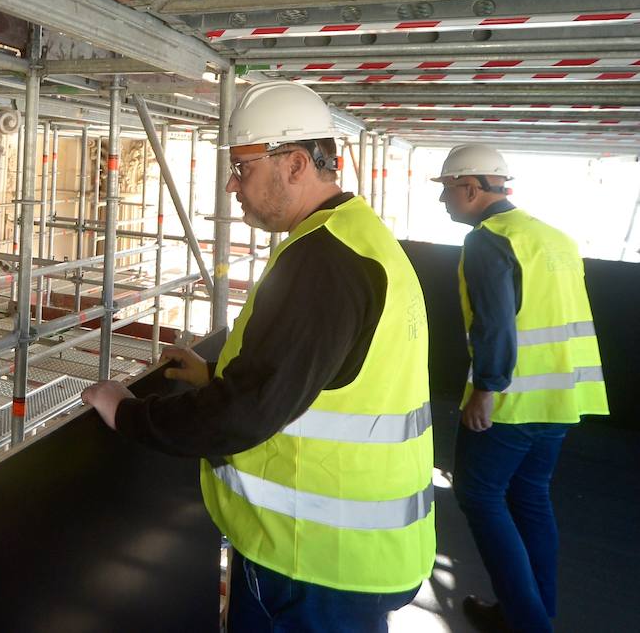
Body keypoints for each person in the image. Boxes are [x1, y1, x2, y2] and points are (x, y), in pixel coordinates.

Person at [82, 80, 434, 632]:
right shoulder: (355, 238)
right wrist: (218, 374)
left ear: (294, 164)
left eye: (242, 167)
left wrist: (127, 412)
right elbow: (319, 376)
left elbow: (244, 413)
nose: (231, 185)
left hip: (311, 559)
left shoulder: (324, 261)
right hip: (351, 554)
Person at [432, 144, 608, 633]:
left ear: (470, 187)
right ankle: (527, 612)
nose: (443, 201)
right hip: (561, 396)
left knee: (480, 496)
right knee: (529, 497)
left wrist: (485, 389)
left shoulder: (489, 241)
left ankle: (530, 625)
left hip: (511, 402)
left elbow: (496, 324)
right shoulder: (553, 237)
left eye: (446, 190)